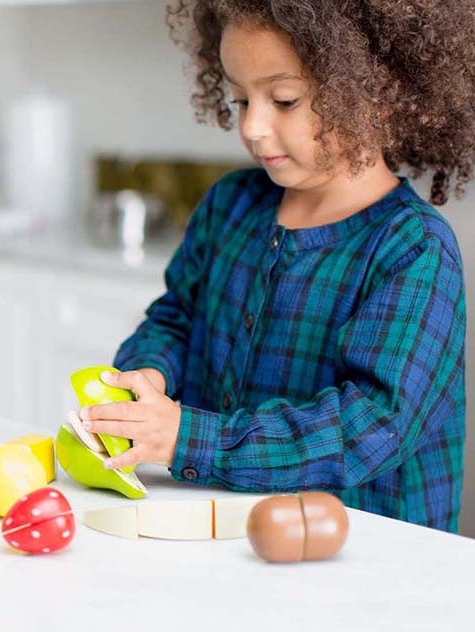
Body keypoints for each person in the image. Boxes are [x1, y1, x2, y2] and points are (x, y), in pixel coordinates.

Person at [77, 0, 474, 532]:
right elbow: (176, 317)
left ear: (378, 96)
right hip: (228, 539)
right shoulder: (230, 205)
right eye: (241, 99)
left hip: (366, 560)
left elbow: (373, 426)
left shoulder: (412, 248)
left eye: (284, 100)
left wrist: (187, 438)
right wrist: (148, 373)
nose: (254, 128)